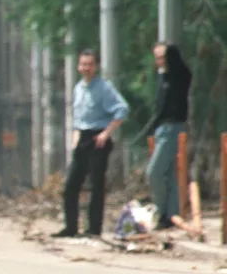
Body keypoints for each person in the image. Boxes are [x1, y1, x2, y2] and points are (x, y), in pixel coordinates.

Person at [52, 49, 129, 238]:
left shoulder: (103, 88)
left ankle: (94, 229)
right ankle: (70, 227)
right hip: (83, 138)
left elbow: (122, 109)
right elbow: (78, 117)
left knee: (96, 186)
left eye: (89, 65)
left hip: (98, 139)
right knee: (71, 185)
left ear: (95, 67)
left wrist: (106, 134)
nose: (86, 68)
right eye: (83, 64)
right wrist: (76, 136)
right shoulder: (78, 88)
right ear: (79, 66)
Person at [138, 42, 191, 229]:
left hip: (173, 127)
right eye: (157, 57)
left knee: (154, 172)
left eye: (163, 57)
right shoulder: (162, 77)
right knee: (167, 174)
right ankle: (170, 215)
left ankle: (161, 211)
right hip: (162, 128)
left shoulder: (179, 75)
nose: (159, 61)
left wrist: (170, 54)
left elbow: (182, 75)